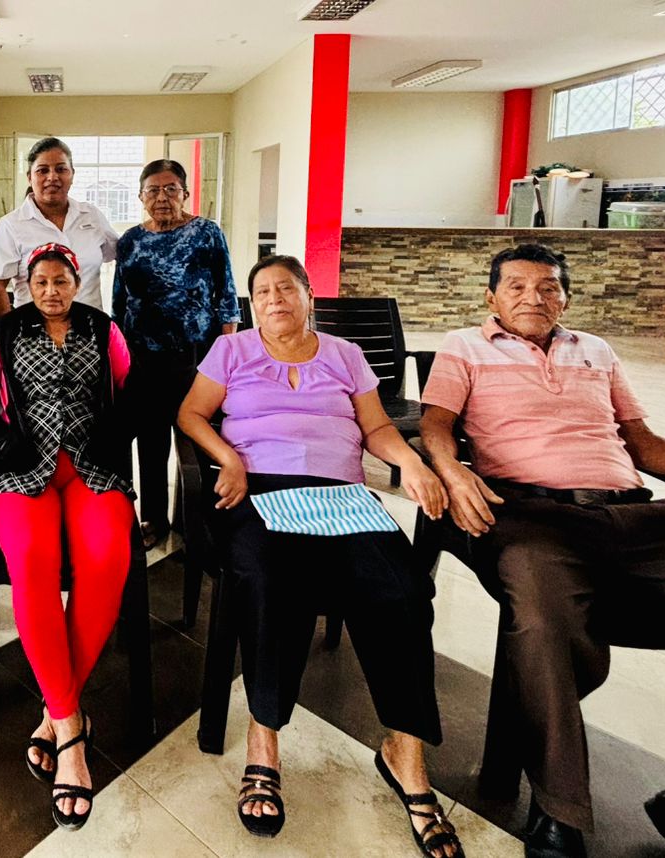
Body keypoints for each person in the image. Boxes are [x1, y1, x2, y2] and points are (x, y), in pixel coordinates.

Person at [418, 243, 665, 858]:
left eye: (548, 287)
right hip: (533, 520)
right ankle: (559, 811)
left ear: (565, 298)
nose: (533, 297)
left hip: (644, 523)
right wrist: (452, 471)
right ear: (491, 297)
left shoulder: (596, 351)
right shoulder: (465, 347)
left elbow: (642, 442)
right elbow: (436, 426)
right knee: (544, 622)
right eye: (517, 286)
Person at [177, 255, 459, 855]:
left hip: (339, 493)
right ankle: (264, 740)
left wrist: (410, 463)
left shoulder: (344, 354)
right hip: (259, 489)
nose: (274, 299)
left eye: (286, 288)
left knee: (404, 589)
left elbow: (377, 428)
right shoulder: (231, 350)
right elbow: (191, 414)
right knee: (269, 581)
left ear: (310, 295)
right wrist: (230, 459)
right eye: (262, 292)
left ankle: (405, 754)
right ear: (252, 305)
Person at [0, 243, 136, 832]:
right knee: (33, 564)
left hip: (91, 467)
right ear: (26, 285)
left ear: (76, 282)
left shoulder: (103, 329)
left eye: (61, 281)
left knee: (107, 559)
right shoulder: (6, 331)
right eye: (40, 282)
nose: (51, 291)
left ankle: (54, 717)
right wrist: (3, 440)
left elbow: (130, 392)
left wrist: (111, 439)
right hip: (19, 469)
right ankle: (71, 734)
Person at [114, 158, 239, 550]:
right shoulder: (130, 241)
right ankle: (154, 518)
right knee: (151, 443)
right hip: (144, 357)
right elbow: (119, 304)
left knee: (198, 439)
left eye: (171, 189)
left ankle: (198, 521)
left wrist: (227, 357)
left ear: (185, 193)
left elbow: (227, 297)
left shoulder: (207, 233)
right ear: (140, 197)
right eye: (153, 190)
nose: (162, 197)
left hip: (197, 357)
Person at [0, 137, 118, 317]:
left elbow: (119, 255)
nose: (52, 177)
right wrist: (6, 332)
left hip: (90, 329)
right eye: (42, 170)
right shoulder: (11, 225)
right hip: (33, 331)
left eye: (61, 169)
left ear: (72, 174)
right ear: (30, 177)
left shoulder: (92, 216)